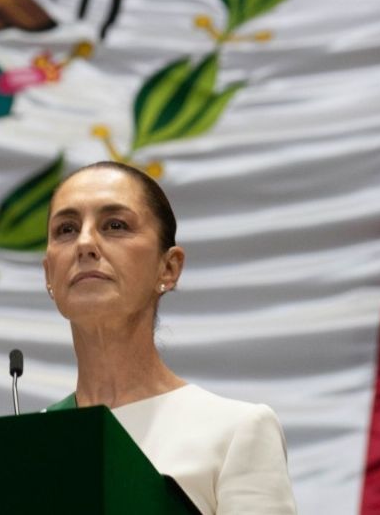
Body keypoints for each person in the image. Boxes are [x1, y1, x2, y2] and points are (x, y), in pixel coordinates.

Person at [42, 161, 296, 515]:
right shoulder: (28, 444)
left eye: (115, 225)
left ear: (169, 267)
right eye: (66, 229)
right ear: (48, 275)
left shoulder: (235, 431)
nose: (85, 244)